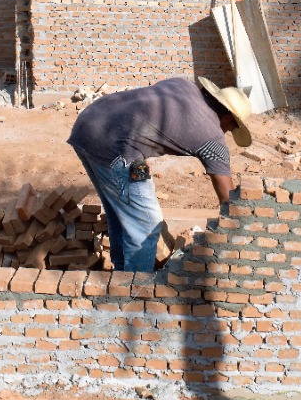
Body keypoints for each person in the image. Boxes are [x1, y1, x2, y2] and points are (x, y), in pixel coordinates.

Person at [68, 76, 252, 273]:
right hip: (115, 147)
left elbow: (149, 114)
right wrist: (245, 234)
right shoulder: (213, 139)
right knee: (146, 221)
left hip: (89, 122)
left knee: (120, 213)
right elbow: (227, 200)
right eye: (231, 128)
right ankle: (134, 291)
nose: (227, 132)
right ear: (228, 118)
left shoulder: (183, 85)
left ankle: (120, 281)